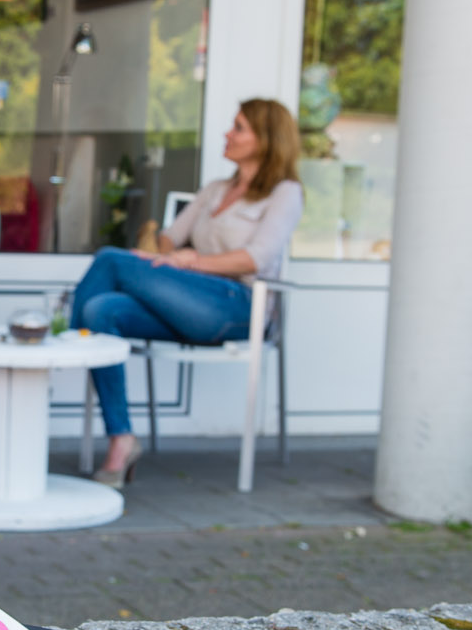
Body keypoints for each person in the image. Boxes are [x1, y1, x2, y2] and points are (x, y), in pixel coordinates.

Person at [73, 99, 304, 488]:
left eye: (239, 127)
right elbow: (170, 237)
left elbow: (257, 258)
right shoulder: (216, 190)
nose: (227, 134)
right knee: (99, 310)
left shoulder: (285, 192)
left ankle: (58, 346)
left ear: (267, 138)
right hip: (186, 304)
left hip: (237, 307)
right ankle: (121, 439)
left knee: (111, 260)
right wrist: (169, 261)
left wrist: (190, 262)